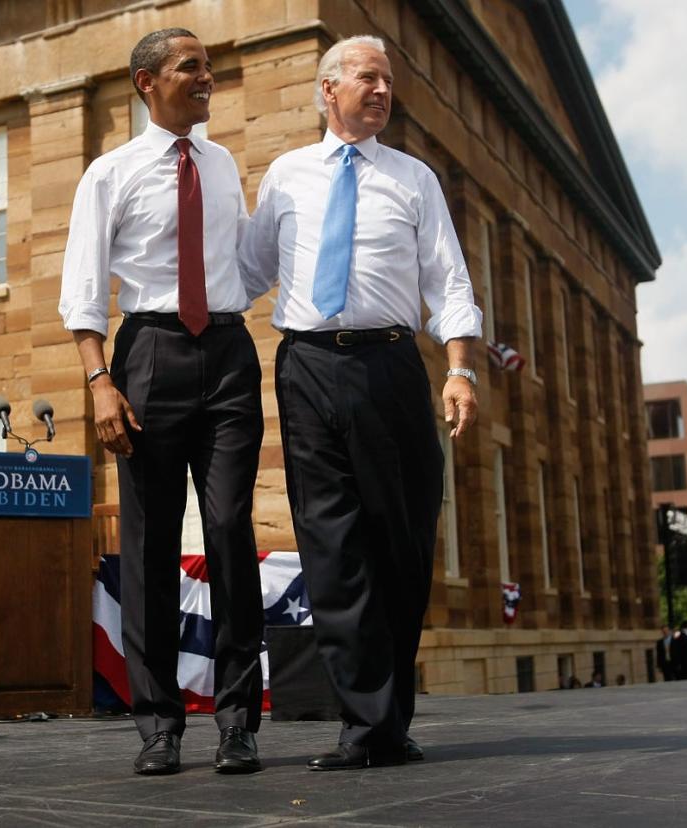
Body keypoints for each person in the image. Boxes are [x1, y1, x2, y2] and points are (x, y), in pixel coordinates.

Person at [239, 35, 482, 771]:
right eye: (369, 79)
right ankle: (366, 725)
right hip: (307, 366)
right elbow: (248, 270)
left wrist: (461, 368)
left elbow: (450, 278)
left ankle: (389, 717)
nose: (382, 91)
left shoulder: (414, 179)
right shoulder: (284, 176)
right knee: (333, 547)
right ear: (328, 89)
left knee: (401, 544)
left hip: (391, 367)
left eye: (388, 82)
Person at [59, 28, 264, 776]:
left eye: (208, 67)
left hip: (230, 355)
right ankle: (159, 724)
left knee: (231, 530)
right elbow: (81, 288)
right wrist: (98, 381)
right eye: (191, 68)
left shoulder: (223, 163)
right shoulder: (109, 174)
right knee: (149, 544)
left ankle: (239, 721)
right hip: (147, 356)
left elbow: (240, 261)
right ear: (147, 82)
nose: (207, 78)